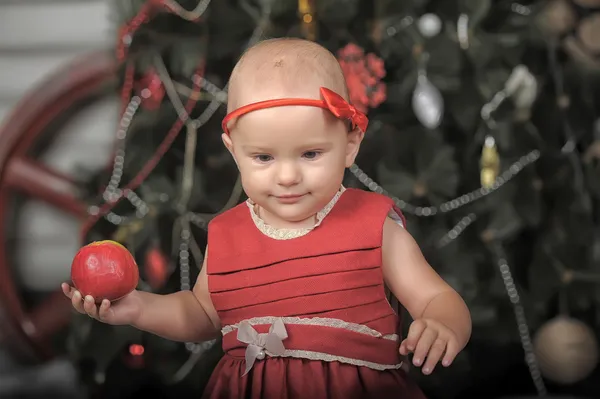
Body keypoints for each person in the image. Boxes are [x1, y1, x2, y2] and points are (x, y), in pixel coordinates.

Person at [62, 38, 471, 398]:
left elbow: (437, 298)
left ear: (350, 145)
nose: (288, 176)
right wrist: (138, 308)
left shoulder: (373, 224)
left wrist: (442, 323)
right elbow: (203, 315)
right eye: (263, 157)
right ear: (233, 149)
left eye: (311, 154)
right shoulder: (227, 235)